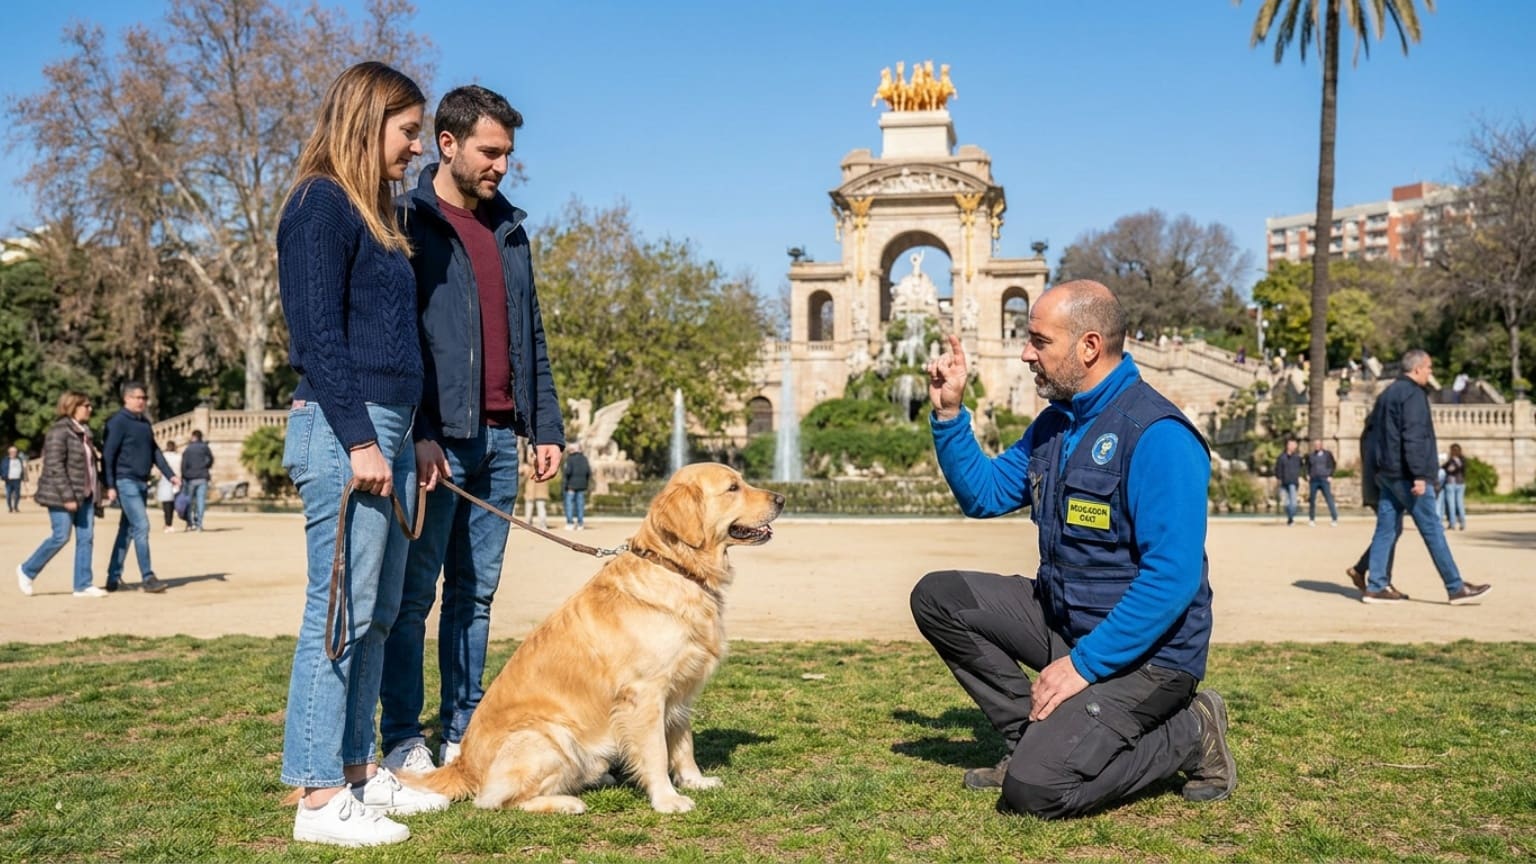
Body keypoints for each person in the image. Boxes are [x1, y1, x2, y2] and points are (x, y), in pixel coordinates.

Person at [910, 280, 1233, 820]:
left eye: (1039, 341)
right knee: (939, 597)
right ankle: (1027, 739)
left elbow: (1171, 579)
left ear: (1088, 346)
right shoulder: (1057, 423)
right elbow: (985, 495)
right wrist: (949, 416)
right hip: (1070, 624)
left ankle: (1191, 730)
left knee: (1036, 793)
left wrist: (1083, 665)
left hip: (1151, 658)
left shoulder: (1158, 435)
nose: (1025, 353)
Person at [276, 60, 446, 848]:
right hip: (346, 429)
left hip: (389, 429)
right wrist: (357, 439)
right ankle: (315, 800)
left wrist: (413, 434)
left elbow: (394, 340)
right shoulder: (319, 204)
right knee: (338, 613)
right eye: (409, 132)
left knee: (375, 614)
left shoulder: (378, 214)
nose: (417, 149)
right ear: (366, 120)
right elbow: (317, 337)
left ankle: (353, 770)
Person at [380, 84, 565, 776]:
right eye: (491, 151)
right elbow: (400, 341)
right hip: (435, 441)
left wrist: (545, 424)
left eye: (508, 154)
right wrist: (420, 428)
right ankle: (402, 733)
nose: (502, 166)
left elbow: (532, 337)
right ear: (449, 144)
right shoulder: (406, 220)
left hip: (497, 441)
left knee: (475, 594)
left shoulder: (510, 230)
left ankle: (463, 725)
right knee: (413, 596)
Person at [1361, 350, 1491, 605]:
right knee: (1432, 529)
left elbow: (1373, 434)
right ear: (1418, 368)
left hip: (1388, 473)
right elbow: (1414, 437)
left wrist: (1377, 469)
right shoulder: (1413, 395)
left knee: (1385, 530)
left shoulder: (1388, 394)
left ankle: (1376, 585)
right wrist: (1420, 475)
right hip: (1408, 475)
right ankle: (1455, 587)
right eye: (1429, 368)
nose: (1431, 373)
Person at [17, 392, 106, 598]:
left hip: (86, 494)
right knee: (61, 536)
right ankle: (27, 570)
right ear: (72, 406)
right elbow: (54, 465)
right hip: (62, 495)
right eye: (86, 405)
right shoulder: (59, 431)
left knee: (86, 538)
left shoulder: (85, 432)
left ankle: (83, 584)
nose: (90, 409)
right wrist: (67, 496)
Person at [102, 382, 174, 594]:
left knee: (127, 531)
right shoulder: (118, 422)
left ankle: (113, 577)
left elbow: (155, 452)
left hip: (141, 482)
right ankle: (148, 577)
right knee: (142, 526)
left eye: (144, 398)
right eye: (138, 397)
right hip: (126, 481)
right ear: (127, 399)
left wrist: (171, 475)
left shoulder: (144, 423)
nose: (142, 401)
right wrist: (110, 484)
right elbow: (108, 455)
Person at [180, 430, 214, 531]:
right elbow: (211, 459)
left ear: (193, 437)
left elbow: (184, 464)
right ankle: (199, 524)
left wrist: (184, 476)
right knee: (200, 501)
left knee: (190, 501)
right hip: (202, 476)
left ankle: (190, 523)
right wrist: (206, 466)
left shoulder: (188, 449)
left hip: (190, 478)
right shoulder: (205, 447)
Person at [1305, 439, 1338, 527]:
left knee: (1329, 498)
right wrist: (1307, 474)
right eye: (1315, 444)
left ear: (1321, 445)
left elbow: (1333, 465)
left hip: (1324, 479)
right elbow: (1307, 466)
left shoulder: (1328, 454)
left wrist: (1331, 475)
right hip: (1314, 480)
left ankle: (1334, 518)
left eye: (1318, 444)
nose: (1317, 446)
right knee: (1312, 500)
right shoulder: (1311, 455)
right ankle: (1312, 519)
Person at [1273, 438, 1302, 526]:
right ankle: (1290, 518)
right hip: (1283, 482)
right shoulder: (1281, 457)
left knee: (1293, 502)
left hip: (1293, 482)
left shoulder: (1297, 458)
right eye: (1291, 445)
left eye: (1295, 445)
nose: (1293, 447)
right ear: (1287, 446)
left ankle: (1291, 518)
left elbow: (1302, 467)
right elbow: (1277, 469)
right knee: (1286, 503)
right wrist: (1278, 478)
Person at [562, 441, 591, 530]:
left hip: (571, 486)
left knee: (569, 504)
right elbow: (588, 472)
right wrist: (585, 483)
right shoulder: (584, 459)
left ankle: (570, 523)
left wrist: (566, 484)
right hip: (582, 485)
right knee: (580, 505)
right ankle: (580, 523)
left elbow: (567, 472)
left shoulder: (570, 459)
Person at [521, 446, 551, 530]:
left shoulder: (541, 467)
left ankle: (541, 524)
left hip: (538, 491)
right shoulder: (543, 466)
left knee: (539, 507)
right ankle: (530, 523)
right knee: (531, 508)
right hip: (532, 491)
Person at [156, 440, 182, 533]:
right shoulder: (179, 457)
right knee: (174, 503)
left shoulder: (163, 456)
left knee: (166, 504)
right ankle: (170, 523)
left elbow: (159, 470)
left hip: (165, 481)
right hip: (176, 480)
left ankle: (168, 524)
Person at [1440, 443, 1467, 531]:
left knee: (1451, 504)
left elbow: (1449, 470)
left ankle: (1452, 523)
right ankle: (1462, 522)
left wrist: (1443, 465)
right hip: (1461, 483)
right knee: (1460, 504)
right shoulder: (1463, 460)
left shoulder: (1451, 461)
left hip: (1451, 483)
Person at [3, 445, 26, 512]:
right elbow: (2, 468)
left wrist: (23, 477)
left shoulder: (19, 459)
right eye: (12, 451)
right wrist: (4, 477)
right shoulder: (5, 460)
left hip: (17, 479)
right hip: (9, 479)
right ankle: (10, 508)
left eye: (15, 451)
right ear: (9, 452)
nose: (14, 453)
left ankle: (16, 507)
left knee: (17, 494)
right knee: (8, 494)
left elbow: (21, 468)